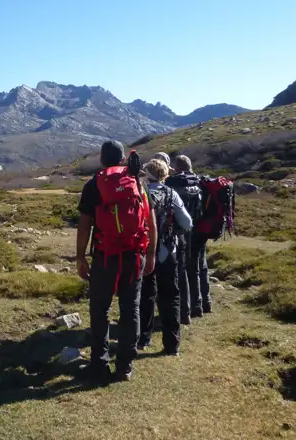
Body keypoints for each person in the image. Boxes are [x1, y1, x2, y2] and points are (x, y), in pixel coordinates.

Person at [76, 141, 157, 382]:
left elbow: (84, 225)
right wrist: (151, 254)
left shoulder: (94, 184)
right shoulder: (137, 183)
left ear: (101, 159)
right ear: (123, 158)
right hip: (133, 256)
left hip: (105, 256)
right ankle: (125, 366)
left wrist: (80, 257)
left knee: (99, 310)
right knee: (130, 309)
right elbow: (150, 223)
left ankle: (99, 365)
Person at [138, 159, 192, 356]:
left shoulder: (141, 193)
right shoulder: (171, 194)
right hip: (169, 252)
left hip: (144, 253)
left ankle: (143, 339)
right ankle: (172, 345)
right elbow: (187, 223)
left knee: (145, 297)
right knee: (171, 297)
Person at [165, 155, 203, 325]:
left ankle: (183, 310)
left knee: (181, 270)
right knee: (197, 267)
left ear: (178, 167)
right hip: (199, 230)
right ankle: (200, 305)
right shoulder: (198, 180)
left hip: (181, 231)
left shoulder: (173, 183)